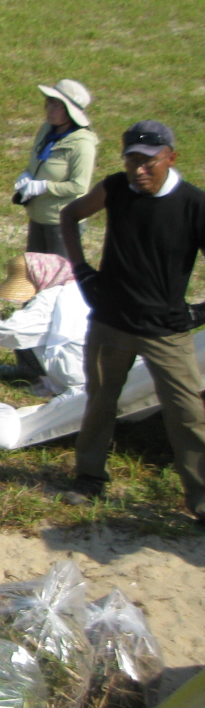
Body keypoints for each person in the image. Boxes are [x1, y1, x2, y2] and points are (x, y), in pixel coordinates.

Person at [59, 121, 205, 523]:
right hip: (111, 321)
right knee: (100, 401)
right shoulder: (116, 188)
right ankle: (89, 476)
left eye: (148, 162)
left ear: (171, 158)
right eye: (131, 160)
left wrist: (198, 312)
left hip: (167, 332)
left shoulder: (194, 204)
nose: (139, 170)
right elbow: (70, 215)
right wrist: (83, 272)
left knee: (187, 414)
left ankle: (200, 499)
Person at [0, 253, 89, 395]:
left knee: (24, 335)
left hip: (70, 373)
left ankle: (38, 378)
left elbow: (13, 330)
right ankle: (28, 371)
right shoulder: (83, 289)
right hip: (94, 369)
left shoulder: (50, 297)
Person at [16, 79, 98, 257]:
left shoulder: (82, 144)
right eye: (49, 103)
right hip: (38, 217)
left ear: (70, 112)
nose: (49, 109)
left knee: (58, 281)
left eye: (57, 105)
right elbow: (39, 162)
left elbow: (79, 186)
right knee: (35, 275)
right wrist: (27, 175)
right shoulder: (47, 129)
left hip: (62, 224)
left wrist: (44, 186)